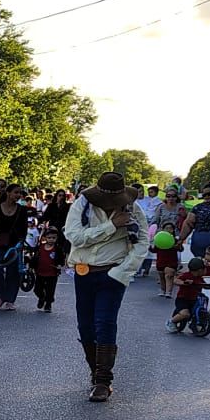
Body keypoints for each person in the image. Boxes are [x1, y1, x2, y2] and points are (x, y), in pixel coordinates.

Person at [63, 172, 148, 403]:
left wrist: (121, 272)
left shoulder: (132, 209)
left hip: (112, 272)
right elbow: (74, 237)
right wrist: (111, 226)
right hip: (84, 272)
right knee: (85, 327)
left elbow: (142, 242)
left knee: (104, 323)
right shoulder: (83, 204)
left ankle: (103, 380)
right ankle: (95, 372)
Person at [0, 183, 32, 311]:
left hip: (15, 244)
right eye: (16, 192)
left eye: (20, 193)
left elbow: (24, 229)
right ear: (8, 193)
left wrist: (21, 242)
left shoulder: (21, 209)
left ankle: (10, 300)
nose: (18, 195)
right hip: (0, 242)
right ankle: (2, 294)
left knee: (13, 272)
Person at [149, 186, 188, 297]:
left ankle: (170, 280)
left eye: (173, 196)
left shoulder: (180, 207)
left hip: (175, 235)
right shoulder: (161, 207)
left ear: (177, 197)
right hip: (162, 236)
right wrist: (151, 234)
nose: (170, 198)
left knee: (173, 258)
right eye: (168, 196)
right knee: (161, 261)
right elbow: (155, 221)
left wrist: (181, 237)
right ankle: (163, 284)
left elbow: (185, 221)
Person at [168, 257, 210, 332]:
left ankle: (194, 324)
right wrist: (184, 282)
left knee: (200, 305)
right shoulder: (187, 275)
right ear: (199, 270)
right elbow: (175, 280)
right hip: (183, 299)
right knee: (185, 314)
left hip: (194, 299)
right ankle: (171, 322)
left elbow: (204, 285)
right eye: (204, 269)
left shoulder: (199, 278)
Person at [134, 184, 163, 277]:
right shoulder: (133, 202)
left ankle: (146, 269)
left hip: (150, 226)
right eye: (139, 192)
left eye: (142, 191)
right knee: (139, 248)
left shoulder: (150, 200)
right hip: (138, 227)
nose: (142, 193)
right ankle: (137, 269)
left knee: (149, 248)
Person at [31, 227, 63, 312]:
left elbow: (61, 258)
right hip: (40, 273)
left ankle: (48, 304)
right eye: (49, 237)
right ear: (45, 237)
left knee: (50, 290)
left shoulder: (57, 249)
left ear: (57, 238)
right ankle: (41, 298)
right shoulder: (40, 247)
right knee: (37, 289)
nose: (51, 240)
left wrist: (60, 265)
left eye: (54, 238)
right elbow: (34, 258)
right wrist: (31, 266)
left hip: (52, 274)